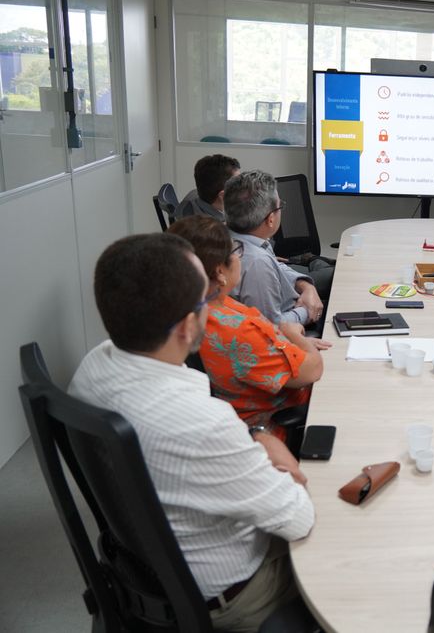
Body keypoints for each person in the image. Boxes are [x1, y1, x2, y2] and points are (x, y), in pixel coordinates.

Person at [68, 233, 314, 632]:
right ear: (187, 325)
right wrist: (274, 453)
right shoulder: (203, 423)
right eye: (206, 300)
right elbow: (298, 518)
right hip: (237, 596)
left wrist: (256, 434)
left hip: (144, 574)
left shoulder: (91, 370)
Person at [168, 216, 330, 440]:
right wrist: (295, 336)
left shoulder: (199, 307)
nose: (239, 257)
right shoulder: (239, 331)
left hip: (239, 409)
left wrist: (288, 343)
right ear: (220, 272)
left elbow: (262, 346)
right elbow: (312, 370)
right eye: (235, 252)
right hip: (270, 427)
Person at [224, 170, 327, 328]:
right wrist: (307, 310)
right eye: (280, 206)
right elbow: (269, 327)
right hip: (290, 331)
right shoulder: (257, 262)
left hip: (292, 309)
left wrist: (307, 286)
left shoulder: (240, 238)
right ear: (271, 219)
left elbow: (277, 266)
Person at [177, 154, 241, 220]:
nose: (243, 188)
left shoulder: (193, 195)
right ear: (223, 196)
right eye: (239, 184)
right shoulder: (215, 228)